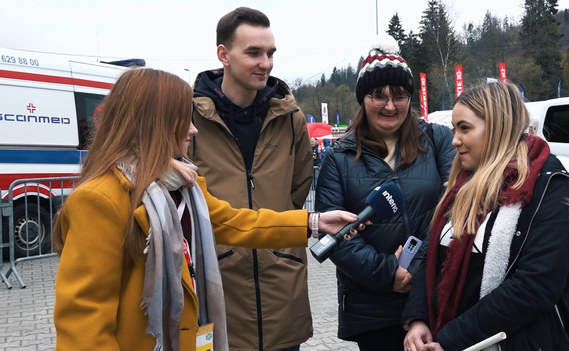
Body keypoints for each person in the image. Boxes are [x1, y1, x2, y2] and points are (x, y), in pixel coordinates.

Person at [52, 68, 363, 351]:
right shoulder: (99, 200)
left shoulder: (183, 185)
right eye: (182, 119)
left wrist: (314, 222)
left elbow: (236, 222)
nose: (193, 130)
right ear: (153, 122)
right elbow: (84, 323)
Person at [401, 82, 569, 351]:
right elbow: (434, 260)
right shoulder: (460, 184)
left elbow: (535, 286)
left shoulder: (551, 187)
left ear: (497, 127)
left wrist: (452, 338)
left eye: (465, 128)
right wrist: (418, 319)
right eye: (454, 129)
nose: (455, 140)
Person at [314, 47, 456, 351]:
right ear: (363, 99)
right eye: (379, 94)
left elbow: (454, 208)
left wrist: (416, 268)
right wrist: (388, 272)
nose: (390, 105)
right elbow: (337, 236)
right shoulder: (337, 158)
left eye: (400, 95)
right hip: (373, 310)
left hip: (435, 297)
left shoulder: (437, 140)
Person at [189, 7, 314, 351]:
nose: (266, 63)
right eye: (254, 53)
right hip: (218, 293)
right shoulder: (189, 119)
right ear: (223, 55)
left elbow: (298, 189)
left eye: (270, 53)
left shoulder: (290, 117)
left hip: (281, 291)